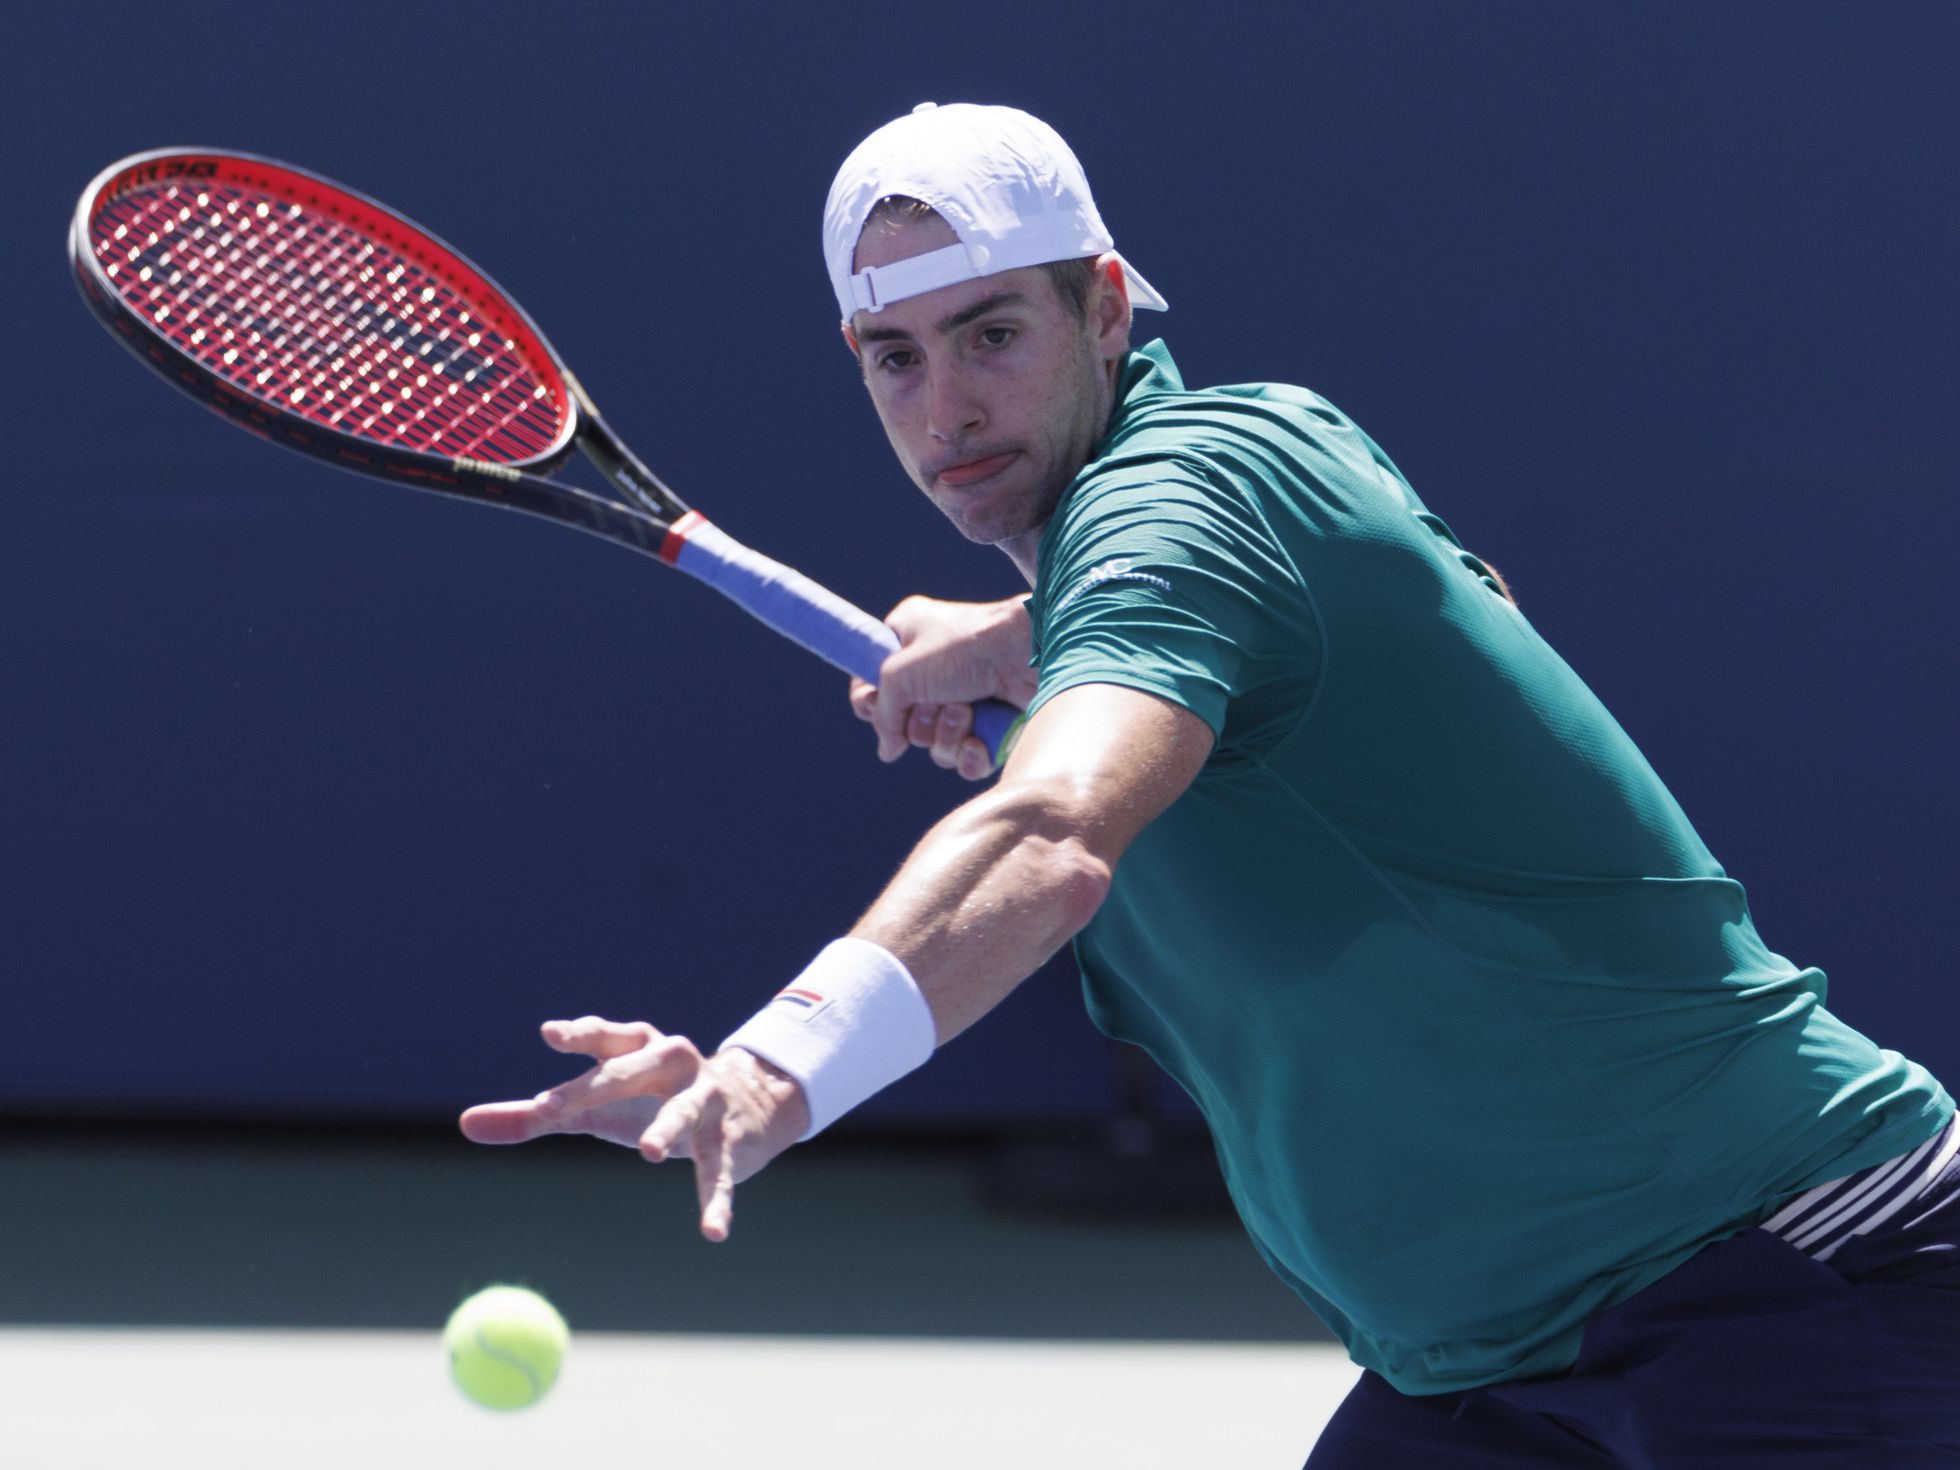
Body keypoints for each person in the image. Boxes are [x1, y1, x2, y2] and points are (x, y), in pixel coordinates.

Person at [462, 103, 1960, 1464]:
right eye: (895, 358)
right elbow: (1331, 610)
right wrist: (1025, 632)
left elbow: (1049, 831)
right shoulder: (1232, 498)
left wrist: (781, 1063)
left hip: (1786, 1275)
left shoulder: (1188, 494)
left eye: (992, 334)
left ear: (1104, 308)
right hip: (1481, 1367)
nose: (946, 411)